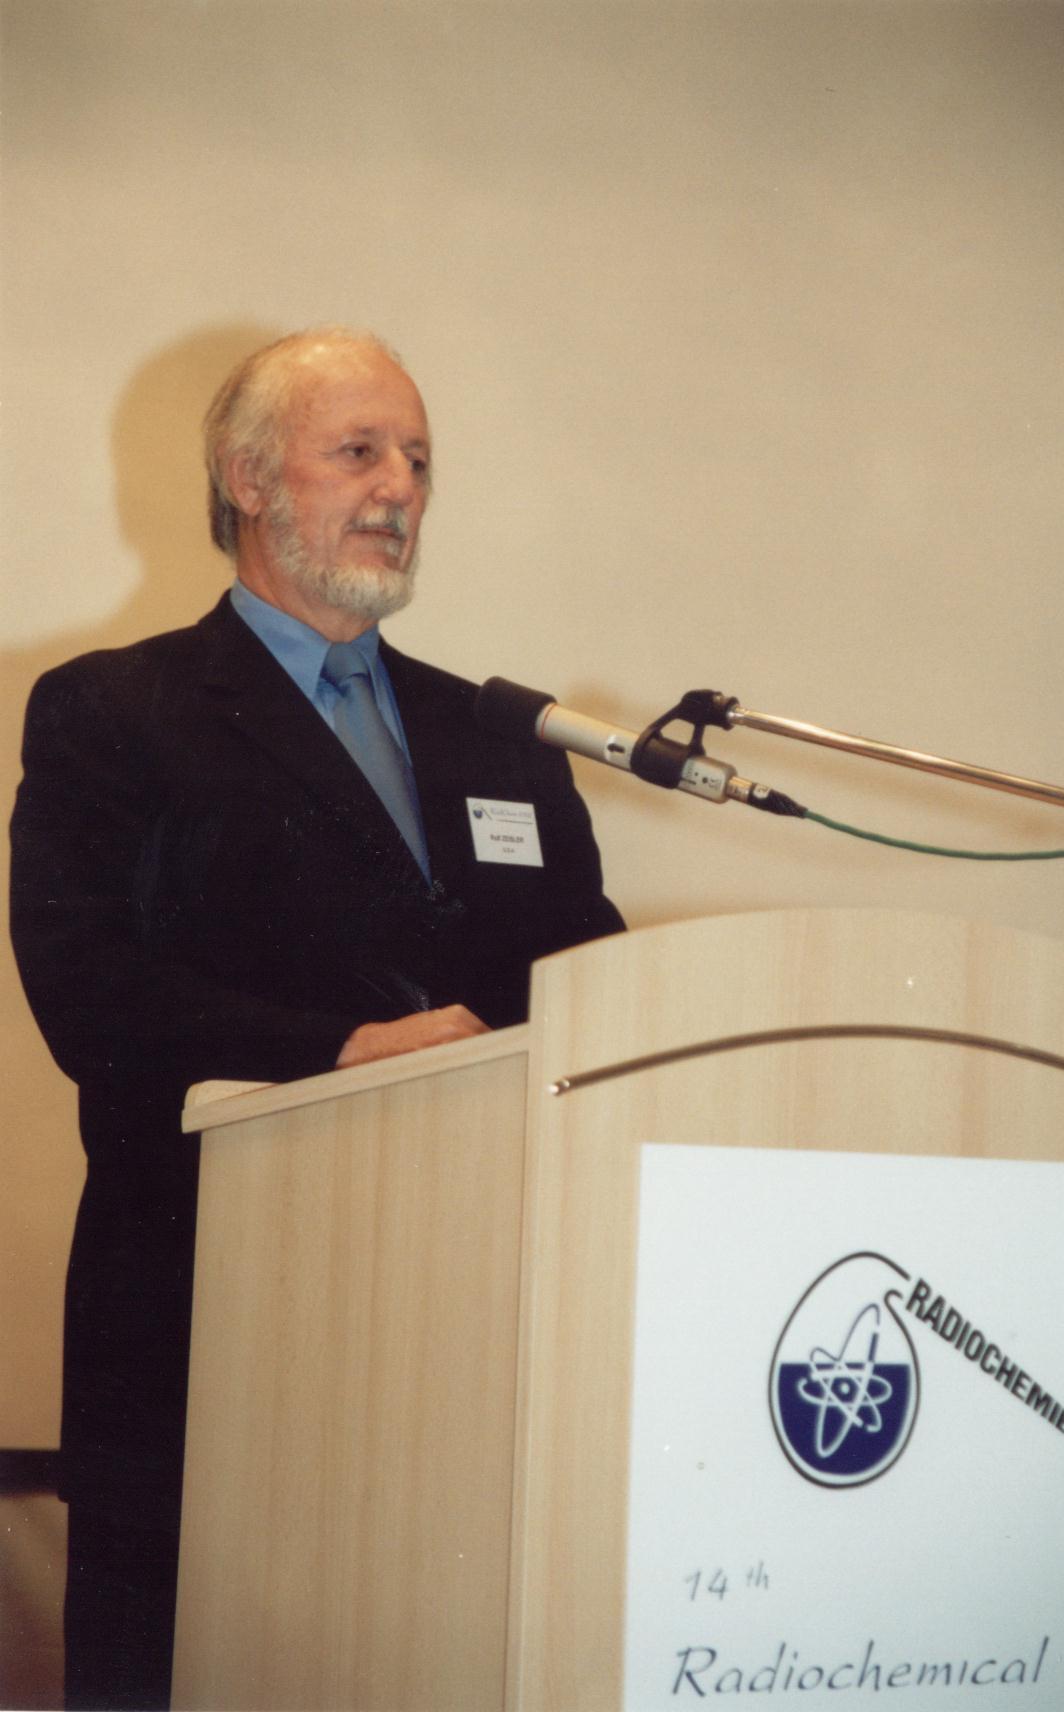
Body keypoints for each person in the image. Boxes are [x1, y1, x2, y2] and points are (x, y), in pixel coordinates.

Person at [10, 327, 623, 1709]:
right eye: (359, 452)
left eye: (419, 459)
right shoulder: (116, 709)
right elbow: (89, 991)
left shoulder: (499, 737)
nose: (401, 487)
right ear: (247, 479)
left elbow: (589, 977)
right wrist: (344, 1053)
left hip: (480, 1308)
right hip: (208, 1306)